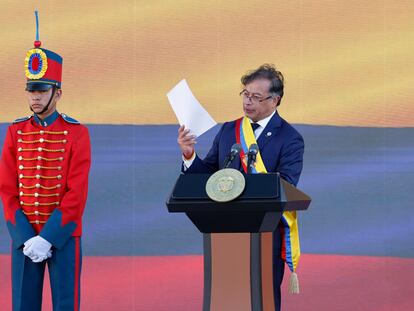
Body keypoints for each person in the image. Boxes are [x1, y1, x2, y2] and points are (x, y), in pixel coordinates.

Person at [177, 64, 304, 310]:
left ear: (275, 100)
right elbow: (209, 176)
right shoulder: (229, 130)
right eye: (245, 94)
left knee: (262, 298)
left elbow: (287, 185)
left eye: (256, 97)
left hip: (266, 235)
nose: (248, 101)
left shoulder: (289, 138)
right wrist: (190, 155)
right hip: (225, 232)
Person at [0, 11, 91, 311]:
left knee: (66, 305)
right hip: (25, 237)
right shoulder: (15, 131)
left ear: (57, 93)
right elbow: (7, 190)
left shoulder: (76, 133)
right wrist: (26, 237)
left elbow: (75, 195)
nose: (35, 97)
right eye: (31, 90)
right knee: (23, 306)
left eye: (41, 90)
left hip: (62, 236)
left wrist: (49, 238)